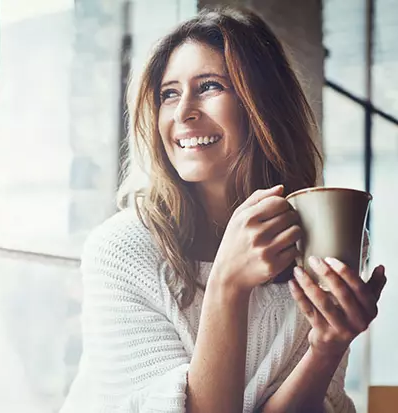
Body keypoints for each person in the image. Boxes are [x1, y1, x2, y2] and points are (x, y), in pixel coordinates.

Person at [59, 6, 387, 413]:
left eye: (210, 86)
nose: (183, 113)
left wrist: (327, 346)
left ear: (262, 105)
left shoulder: (317, 242)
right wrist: (227, 285)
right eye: (169, 94)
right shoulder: (122, 249)